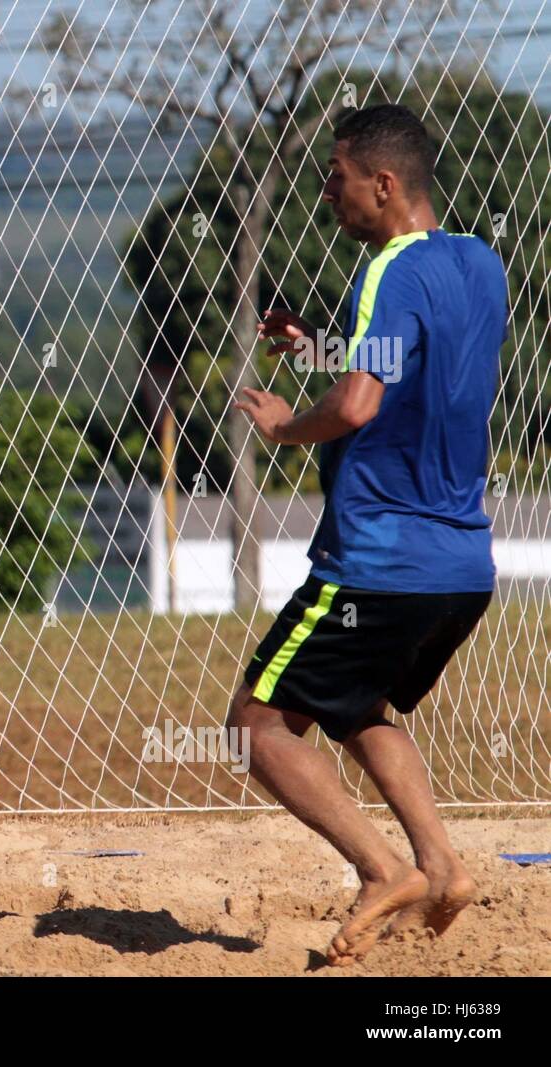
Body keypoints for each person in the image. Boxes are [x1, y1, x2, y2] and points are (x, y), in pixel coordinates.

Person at [231, 103, 507, 966]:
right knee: (357, 706)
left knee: (257, 725)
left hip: (380, 561)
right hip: (461, 564)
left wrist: (280, 429)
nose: (327, 191)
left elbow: (358, 403)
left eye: (336, 174)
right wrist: (321, 346)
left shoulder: (386, 271)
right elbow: (409, 364)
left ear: (383, 185)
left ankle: (381, 867)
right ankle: (441, 866)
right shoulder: (481, 264)